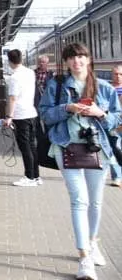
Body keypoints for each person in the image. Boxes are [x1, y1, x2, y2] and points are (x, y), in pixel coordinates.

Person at [39, 43, 121, 280]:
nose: (77, 61)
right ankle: (85, 259)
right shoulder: (56, 86)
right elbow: (45, 114)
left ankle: (93, 242)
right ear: (66, 62)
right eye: (72, 58)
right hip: (66, 147)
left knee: (95, 202)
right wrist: (66, 108)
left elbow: (116, 119)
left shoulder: (104, 88)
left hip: (99, 150)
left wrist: (100, 114)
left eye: (81, 56)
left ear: (89, 59)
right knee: (79, 201)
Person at [4, 49, 40, 186]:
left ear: (10, 61)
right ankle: (36, 176)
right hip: (32, 113)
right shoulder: (30, 72)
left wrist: (9, 117)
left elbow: (13, 98)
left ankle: (29, 177)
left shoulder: (14, 78)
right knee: (32, 146)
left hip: (20, 115)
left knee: (25, 148)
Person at [110, 65, 122, 187]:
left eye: (120, 74)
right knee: (114, 150)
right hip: (114, 126)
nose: (118, 77)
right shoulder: (109, 90)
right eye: (116, 74)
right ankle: (117, 177)